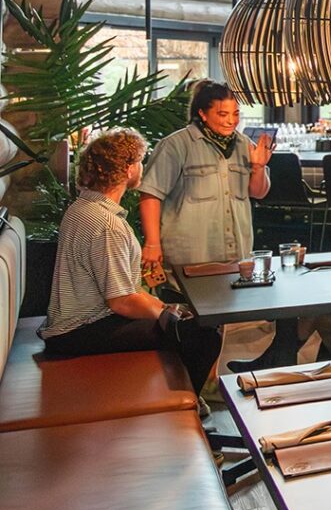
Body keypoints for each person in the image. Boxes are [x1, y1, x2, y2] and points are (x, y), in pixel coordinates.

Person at [39, 129, 223, 396]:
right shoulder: (106, 224)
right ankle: (186, 407)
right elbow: (121, 301)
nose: (142, 167)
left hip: (72, 326)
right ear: (127, 169)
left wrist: (169, 310)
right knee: (204, 335)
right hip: (80, 331)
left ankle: (180, 402)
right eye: (139, 161)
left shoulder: (82, 208)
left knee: (193, 320)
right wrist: (168, 312)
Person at [138, 80, 272, 270]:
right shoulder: (176, 145)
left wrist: (258, 167)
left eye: (236, 114)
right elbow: (150, 195)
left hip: (237, 259)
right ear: (202, 113)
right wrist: (152, 244)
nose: (231, 121)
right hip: (189, 259)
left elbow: (258, 193)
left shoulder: (245, 144)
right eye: (222, 114)